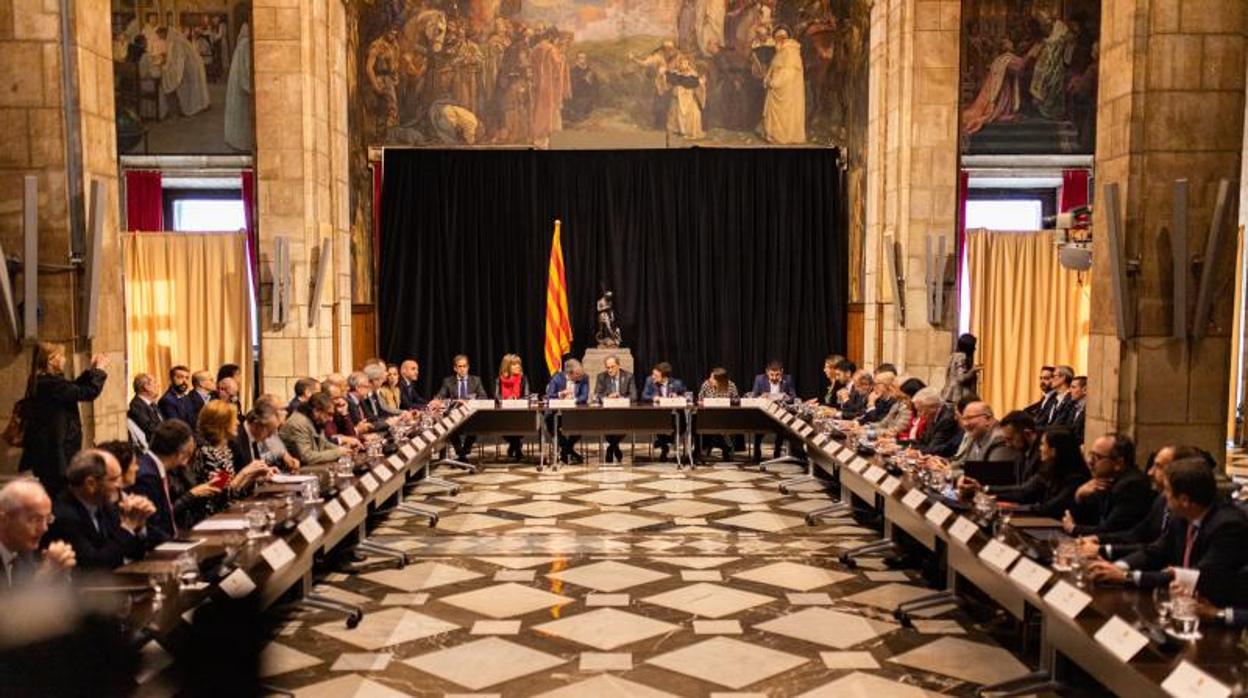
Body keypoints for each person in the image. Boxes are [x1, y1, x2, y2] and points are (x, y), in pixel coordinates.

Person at [1088, 457, 1248, 606]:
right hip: (1180, 601)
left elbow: (1198, 576)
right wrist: (1118, 567)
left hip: (1214, 610)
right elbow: (1155, 552)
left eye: (1168, 491)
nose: (1164, 496)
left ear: (1184, 500)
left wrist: (1127, 577)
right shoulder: (1182, 517)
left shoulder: (1228, 526)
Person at [1080, 445, 1204, 561]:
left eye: (1158, 466)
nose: (1150, 472)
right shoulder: (1161, 501)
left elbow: (1158, 550)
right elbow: (1137, 534)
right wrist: (1098, 540)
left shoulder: (1186, 513)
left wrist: (1103, 551)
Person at [18, 343, 109, 497]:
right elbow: (87, 392)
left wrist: (92, 371)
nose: (64, 359)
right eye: (61, 356)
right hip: (58, 456)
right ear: (51, 360)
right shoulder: (51, 385)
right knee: (60, 497)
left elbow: (73, 387)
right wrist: (100, 370)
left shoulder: (46, 382)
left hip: (51, 453)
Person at [46, 449, 154, 570]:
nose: (120, 485)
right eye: (114, 479)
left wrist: (138, 523)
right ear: (91, 484)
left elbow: (134, 553)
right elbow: (95, 566)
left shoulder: (104, 505)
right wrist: (128, 525)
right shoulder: (64, 515)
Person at [960, 427, 1088, 519]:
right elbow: (1024, 490)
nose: (1040, 448)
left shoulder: (1075, 478)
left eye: (1043, 445)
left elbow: (1048, 508)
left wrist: (1010, 509)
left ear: (1054, 451)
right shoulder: (1049, 468)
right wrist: (984, 489)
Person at [132, 420, 219, 545]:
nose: (186, 462)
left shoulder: (159, 468)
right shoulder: (146, 475)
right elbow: (152, 524)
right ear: (180, 454)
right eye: (188, 455)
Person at [1061, 433, 1153, 537]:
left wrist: (1074, 529)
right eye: (1090, 455)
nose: (1090, 461)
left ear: (1118, 463)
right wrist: (1079, 495)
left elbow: (1109, 530)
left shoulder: (1131, 486)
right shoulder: (1105, 480)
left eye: (1097, 457)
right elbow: (1078, 518)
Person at [195, 400, 273, 514]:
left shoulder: (225, 451)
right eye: (234, 419)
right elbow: (219, 495)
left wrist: (254, 475)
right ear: (222, 424)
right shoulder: (208, 453)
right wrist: (245, 473)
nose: (237, 423)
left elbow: (234, 490)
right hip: (215, 516)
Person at [0, 479, 75, 589]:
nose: (44, 528)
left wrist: (58, 578)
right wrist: (44, 578)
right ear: (4, 520)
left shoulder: (24, 553)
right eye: (34, 519)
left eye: (48, 519)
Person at [436, 355, 489, 460]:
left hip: (470, 413)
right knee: (448, 420)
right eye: (460, 366)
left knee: (477, 420)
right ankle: (461, 452)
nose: (462, 369)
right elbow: (440, 397)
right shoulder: (448, 381)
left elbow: (484, 397)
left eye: (464, 366)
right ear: (455, 368)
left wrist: (468, 402)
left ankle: (463, 453)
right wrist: (454, 401)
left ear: (468, 367)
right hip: (454, 413)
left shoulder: (476, 380)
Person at [279, 392, 350, 471]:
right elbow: (307, 457)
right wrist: (337, 452)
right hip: (291, 472)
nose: (331, 419)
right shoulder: (299, 423)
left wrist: (344, 450)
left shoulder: (316, 420)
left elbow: (323, 443)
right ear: (316, 411)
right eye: (329, 414)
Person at [759, 26, 805, 143]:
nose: (776, 43)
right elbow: (774, 68)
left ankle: (781, 137)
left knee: (784, 116)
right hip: (779, 90)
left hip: (785, 92)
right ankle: (773, 135)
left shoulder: (789, 52)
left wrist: (773, 82)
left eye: (778, 39)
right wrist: (768, 78)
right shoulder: (782, 51)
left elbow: (786, 73)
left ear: (783, 39)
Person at [157, 26, 211, 118]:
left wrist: (167, 68)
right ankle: (184, 107)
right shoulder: (173, 41)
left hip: (191, 67)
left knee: (188, 87)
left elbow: (179, 61)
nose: (160, 38)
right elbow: (174, 59)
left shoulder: (176, 42)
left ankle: (190, 107)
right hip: (189, 66)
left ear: (164, 33)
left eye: (160, 35)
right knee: (190, 88)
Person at [594, 355, 636, 463]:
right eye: (607, 367)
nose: (610, 370)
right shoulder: (601, 377)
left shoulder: (628, 376)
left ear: (618, 365)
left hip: (623, 412)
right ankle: (615, 447)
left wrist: (621, 397)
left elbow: (634, 396)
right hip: (607, 412)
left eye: (612, 367)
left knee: (627, 424)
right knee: (605, 423)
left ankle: (611, 447)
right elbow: (597, 394)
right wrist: (607, 397)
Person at [546, 359, 590, 463]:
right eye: (577, 374)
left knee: (583, 424)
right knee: (551, 424)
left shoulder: (584, 377)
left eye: (581, 373)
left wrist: (572, 401)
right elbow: (549, 397)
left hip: (575, 414)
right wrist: (560, 394)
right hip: (557, 413)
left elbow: (584, 397)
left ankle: (566, 450)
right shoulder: (557, 378)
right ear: (568, 373)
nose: (580, 376)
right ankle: (569, 451)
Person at [751, 360, 796, 461]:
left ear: (782, 372)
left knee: (781, 426)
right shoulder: (760, 379)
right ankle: (757, 451)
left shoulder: (788, 379)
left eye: (777, 375)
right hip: (764, 412)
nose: (774, 378)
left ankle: (777, 451)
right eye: (772, 375)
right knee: (758, 424)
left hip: (781, 412)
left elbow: (793, 397)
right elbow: (754, 396)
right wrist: (761, 397)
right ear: (767, 372)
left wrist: (786, 397)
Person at [642, 362, 686, 461]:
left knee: (681, 426)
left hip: (674, 416)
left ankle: (662, 443)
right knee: (657, 423)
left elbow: (687, 397)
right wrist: (654, 398)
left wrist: (678, 397)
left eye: (656, 375)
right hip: (658, 416)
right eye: (653, 374)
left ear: (664, 377)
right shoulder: (649, 380)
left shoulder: (677, 383)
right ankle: (664, 446)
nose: (653, 377)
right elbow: (644, 395)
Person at [697, 367, 740, 462]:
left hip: (727, 417)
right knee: (707, 424)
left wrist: (729, 402)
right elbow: (699, 399)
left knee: (724, 426)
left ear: (720, 380)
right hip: (709, 416)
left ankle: (726, 448)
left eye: (712, 378)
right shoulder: (706, 385)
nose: (710, 380)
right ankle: (711, 447)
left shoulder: (731, 386)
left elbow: (737, 400)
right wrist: (701, 403)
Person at [495, 354, 530, 461]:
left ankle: (514, 446)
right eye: (514, 364)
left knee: (522, 423)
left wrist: (516, 400)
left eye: (518, 364)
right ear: (507, 366)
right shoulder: (499, 380)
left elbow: (527, 396)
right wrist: (506, 401)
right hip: (504, 413)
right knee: (501, 424)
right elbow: (497, 396)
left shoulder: (523, 378)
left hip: (521, 413)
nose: (518, 367)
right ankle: (517, 447)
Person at [908, 387, 962, 457]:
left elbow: (933, 449)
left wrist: (916, 450)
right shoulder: (931, 416)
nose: (919, 414)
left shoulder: (946, 419)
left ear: (932, 407)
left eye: (920, 410)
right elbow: (922, 441)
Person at [224, 20, 252, 151]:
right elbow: (246, 69)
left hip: (236, 86)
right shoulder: (246, 44)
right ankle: (242, 143)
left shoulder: (241, 44)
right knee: (242, 118)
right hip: (241, 87)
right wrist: (250, 87)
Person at [940, 333, 980, 405]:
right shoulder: (961, 357)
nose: (975, 349)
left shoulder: (953, 356)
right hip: (959, 395)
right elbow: (961, 378)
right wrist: (973, 371)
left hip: (951, 393)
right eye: (973, 346)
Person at [128, 373, 163, 442]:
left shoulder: (153, 405)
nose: (158, 385)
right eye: (155, 382)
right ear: (146, 387)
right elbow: (150, 430)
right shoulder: (136, 406)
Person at [1068, 376, 1087, 442]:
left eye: (1073, 387)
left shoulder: (1089, 410)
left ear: (1085, 390)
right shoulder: (1072, 406)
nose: (1070, 391)